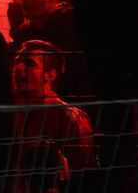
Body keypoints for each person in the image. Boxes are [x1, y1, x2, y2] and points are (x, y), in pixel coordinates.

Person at [8, 40, 97, 193]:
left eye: (29, 63)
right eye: (17, 61)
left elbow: (85, 178)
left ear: (50, 75)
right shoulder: (12, 114)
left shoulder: (69, 117)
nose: (18, 68)